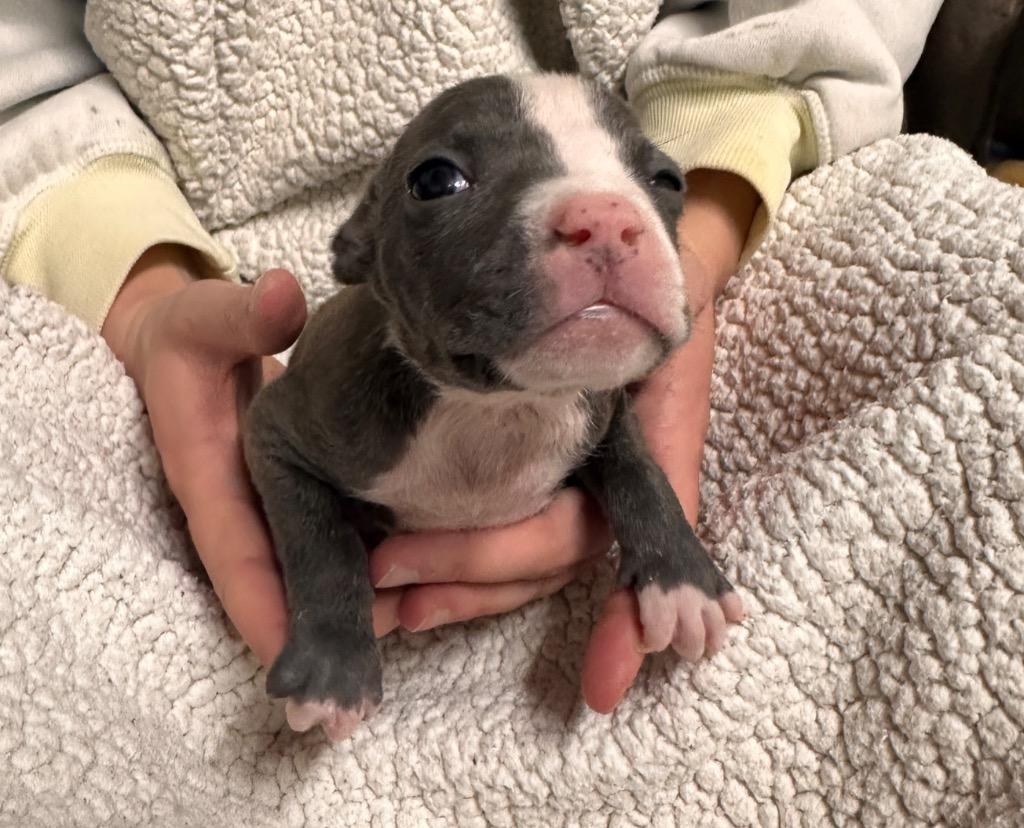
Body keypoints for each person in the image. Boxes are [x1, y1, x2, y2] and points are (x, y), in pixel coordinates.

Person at [0, 0, 943, 714]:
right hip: (108, 225)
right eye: (444, 183)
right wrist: (331, 626)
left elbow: (616, 448)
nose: (601, 220)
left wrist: (668, 556)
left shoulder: (606, 355)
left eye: (646, 183)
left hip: (749, 156)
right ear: (362, 249)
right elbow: (280, 446)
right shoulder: (345, 393)